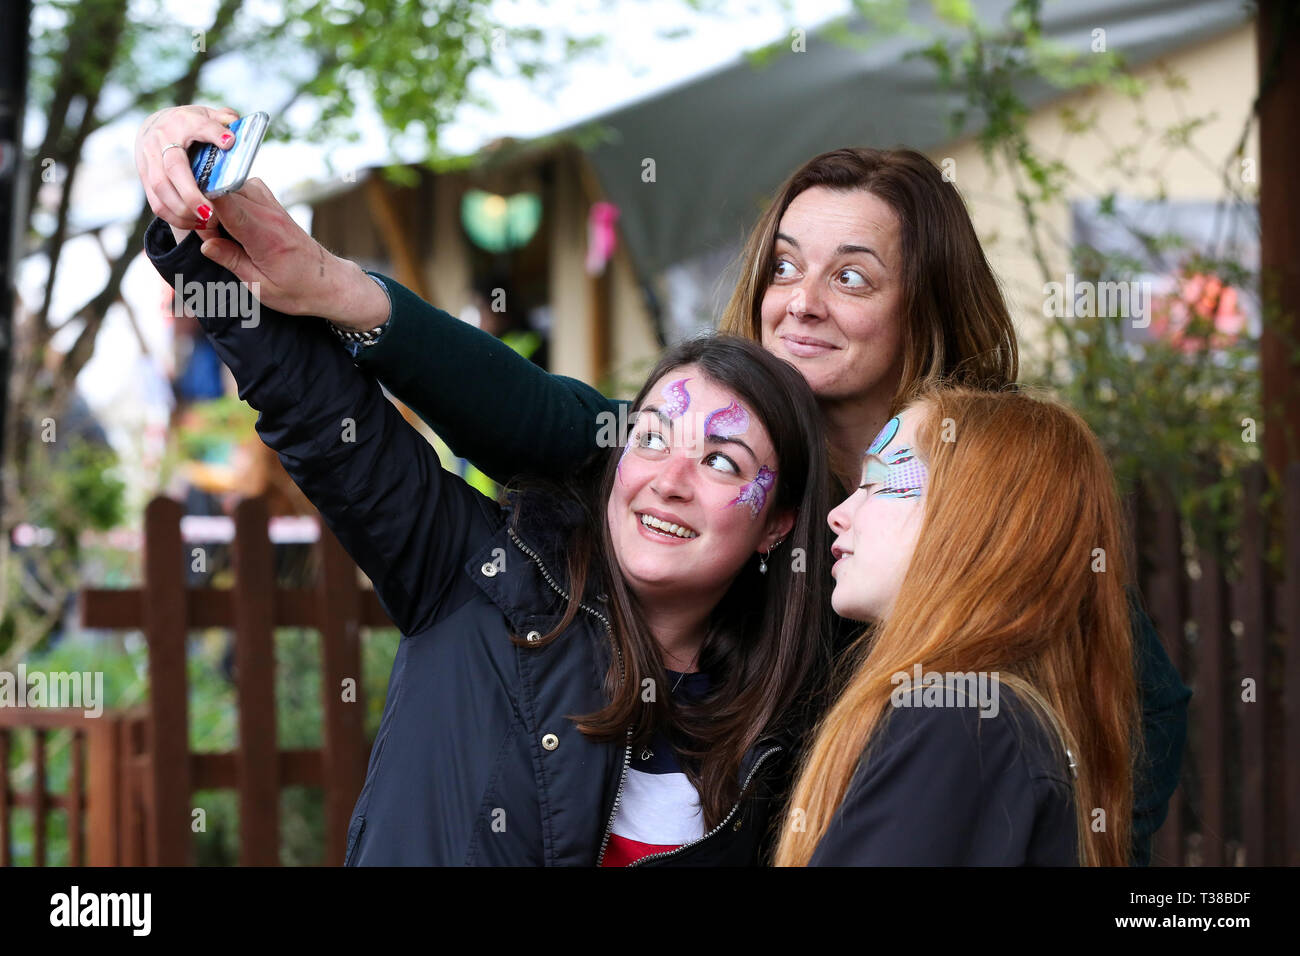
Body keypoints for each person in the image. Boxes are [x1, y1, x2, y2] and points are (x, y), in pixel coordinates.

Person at [135, 108, 1189, 863]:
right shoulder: (506, 587)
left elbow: (1122, 712)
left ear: (778, 523)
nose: (801, 301)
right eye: (783, 263)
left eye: (852, 274)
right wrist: (275, 269)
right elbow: (497, 412)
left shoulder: (890, 676)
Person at [775, 390, 1139, 865]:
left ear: (976, 515)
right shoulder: (992, 714)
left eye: (880, 483)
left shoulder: (963, 716)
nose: (838, 514)